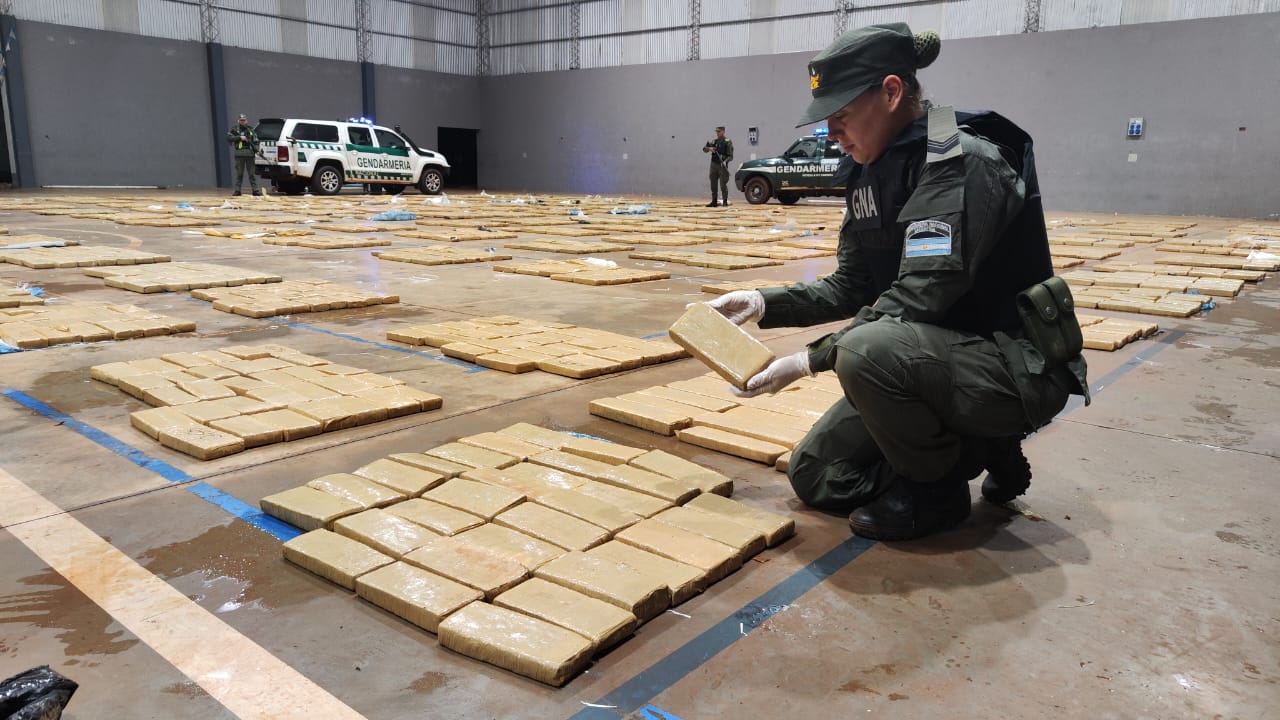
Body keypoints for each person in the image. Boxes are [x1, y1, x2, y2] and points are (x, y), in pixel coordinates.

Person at [702, 23, 1089, 541]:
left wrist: (808, 359)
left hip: (1011, 365)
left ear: (891, 92)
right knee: (817, 476)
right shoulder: (871, 170)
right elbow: (852, 286)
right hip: (928, 361)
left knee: (864, 350)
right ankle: (975, 446)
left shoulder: (957, 162)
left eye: (840, 116)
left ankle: (938, 492)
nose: (832, 133)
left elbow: (918, 298)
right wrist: (762, 302)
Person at [226, 113, 262, 196]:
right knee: (239, 174)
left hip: (250, 154)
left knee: (252, 174)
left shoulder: (251, 130)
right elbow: (229, 138)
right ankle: (237, 190)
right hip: (239, 154)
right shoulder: (235, 129)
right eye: (241, 120)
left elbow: (255, 141)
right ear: (238, 121)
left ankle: (255, 190)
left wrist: (257, 151)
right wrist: (239, 138)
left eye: (244, 120)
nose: (242, 122)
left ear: (247, 121)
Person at [702, 126, 734, 207]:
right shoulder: (714, 141)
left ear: (723, 132)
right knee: (713, 183)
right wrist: (710, 148)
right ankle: (714, 201)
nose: (717, 133)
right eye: (716, 131)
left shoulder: (727, 141)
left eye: (719, 131)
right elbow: (704, 149)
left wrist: (725, 161)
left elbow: (730, 156)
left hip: (722, 165)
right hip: (713, 164)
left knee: (723, 184)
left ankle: (725, 202)